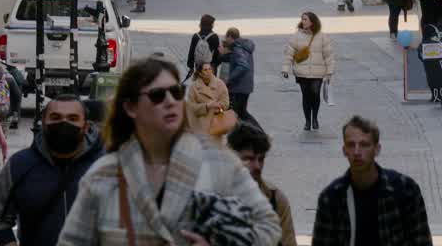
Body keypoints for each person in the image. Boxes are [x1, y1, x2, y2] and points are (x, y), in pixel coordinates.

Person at [57, 57, 283, 246]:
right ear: (131, 107)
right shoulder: (104, 175)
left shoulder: (219, 163)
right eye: (157, 95)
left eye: (176, 92)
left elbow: (269, 226)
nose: (169, 101)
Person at [0, 95, 104, 246]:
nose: (64, 123)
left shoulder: (105, 166)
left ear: (86, 127)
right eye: (56, 117)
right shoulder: (20, 165)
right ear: (43, 123)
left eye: (73, 118)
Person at [311, 116, 432, 245]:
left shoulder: (406, 190)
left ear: (377, 149)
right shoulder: (331, 198)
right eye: (351, 145)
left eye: (364, 145)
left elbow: (422, 240)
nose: (357, 152)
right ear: (344, 150)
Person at [228, 124, 297, 246]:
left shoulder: (275, 199)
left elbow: (288, 242)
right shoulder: (212, 196)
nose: (257, 166)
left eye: (261, 159)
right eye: (249, 159)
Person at [281, 11, 335, 132]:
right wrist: (285, 69)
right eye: (302, 19)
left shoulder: (322, 37)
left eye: (305, 19)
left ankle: (315, 117)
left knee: (315, 94)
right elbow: (289, 54)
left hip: (318, 73)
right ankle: (307, 121)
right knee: (306, 96)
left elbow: (328, 56)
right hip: (302, 72)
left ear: (312, 22)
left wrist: (329, 71)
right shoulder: (296, 36)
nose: (302, 21)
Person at [221, 27, 259, 128]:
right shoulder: (244, 46)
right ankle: (255, 134)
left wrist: (229, 80)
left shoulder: (237, 48)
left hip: (239, 87)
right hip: (245, 86)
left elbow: (242, 65)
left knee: (239, 113)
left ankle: (259, 134)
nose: (226, 39)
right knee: (241, 113)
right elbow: (236, 60)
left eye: (226, 37)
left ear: (230, 37)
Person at [184, 61, 231, 137]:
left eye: (210, 69)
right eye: (205, 70)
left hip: (217, 123)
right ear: (200, 73)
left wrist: (217, 106)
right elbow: (191, 107)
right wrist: (206, 106)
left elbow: (226, 103)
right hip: (200, 125)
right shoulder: (194, 87)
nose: (208, 72)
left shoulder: (220, 84)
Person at [185, 14, 221, 81]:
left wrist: (191, 67)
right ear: (211, 25)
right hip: (210, 68)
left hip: (198, 67)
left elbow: (191, 52)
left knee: (198, 87)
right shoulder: (214, 37)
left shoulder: (196, 36)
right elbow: (217, 54)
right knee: (210, 88)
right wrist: (215, 64)